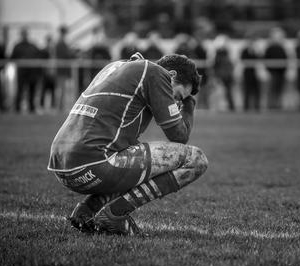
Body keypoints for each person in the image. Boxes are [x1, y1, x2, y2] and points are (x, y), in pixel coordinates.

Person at [47, 53, 207, 235]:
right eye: (178, 95)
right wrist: (189, 104)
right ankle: (115, 214)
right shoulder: (156, 73)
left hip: (62, 165)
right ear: (170, 75)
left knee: (135, 155)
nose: (176, 101)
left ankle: (87, 210)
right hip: (94, 165)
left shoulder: (118, 66)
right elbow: (179, 135)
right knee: (196, 159)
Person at [10, 28, 42, 113]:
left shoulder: (32, 45)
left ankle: (31, 108)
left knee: (32, 90)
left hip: (32, 73)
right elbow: (12, 58)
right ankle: (17, 108)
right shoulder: (17, 46)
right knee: (20, 90)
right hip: (22, 73)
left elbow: (39, 55)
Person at [263, 27, 289, 110]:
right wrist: (270, 70)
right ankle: (271, 106)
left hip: (281, 73)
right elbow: (266, 60)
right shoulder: (270, 48)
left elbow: (285, 60)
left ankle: (278, 106)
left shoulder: (282, 48)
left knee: (279, 90)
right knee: (272, 90)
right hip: (273, 73)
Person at [212, 34, 235, 111]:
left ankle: (230, 107)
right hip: (221, 76)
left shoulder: (228, 54)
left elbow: (230, 66)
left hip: (226, 76)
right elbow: (215, 66)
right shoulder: (218, 55)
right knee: (220, 93)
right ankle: (220, 107)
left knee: (227, 93)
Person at [240, 35, 261, 111]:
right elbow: (242, 59)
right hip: (247, 73)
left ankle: (257, 107)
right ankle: (246, 107)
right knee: (247, 91)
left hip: (254, 73)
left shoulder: (256, 50)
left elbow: (259, 58)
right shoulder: (244, 50)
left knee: (256, 91)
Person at [39, 35, 57, 111]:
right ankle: (42, 106)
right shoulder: (43, 51)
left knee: (53, 90)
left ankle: (53, 106)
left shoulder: (53, 50)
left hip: (52, 73)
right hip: (45, 74)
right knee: (44, 90)